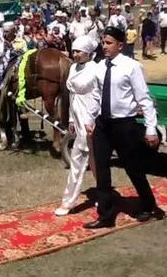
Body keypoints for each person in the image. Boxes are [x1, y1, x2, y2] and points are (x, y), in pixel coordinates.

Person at [83, 26, 164, 229]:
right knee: (101, 168)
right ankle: (106, 215)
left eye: (109, 43)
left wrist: (151, 128)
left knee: (133, 168)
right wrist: (91, 120)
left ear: (120, 45)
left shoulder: (132, 67)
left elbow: (144, 99)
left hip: (124, 125)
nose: (105, 46)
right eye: (103, 42)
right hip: (103, 124)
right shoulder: (100, 66)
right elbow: (96, 96)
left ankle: (149, 205)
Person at [55, 36, 99, 216]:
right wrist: (72, 119)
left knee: (90, 161)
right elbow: (72, 97)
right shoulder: (73, 68)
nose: (75, 54)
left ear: (88, 53)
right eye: (74, 51)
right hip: (78, 118)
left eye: (79, 51)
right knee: (83, 160)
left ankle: (99, 195)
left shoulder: (96, 69)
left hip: (91, 119)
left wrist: (93, 121)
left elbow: (98, 97)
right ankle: (70, 200)